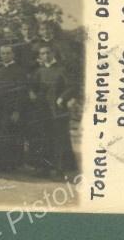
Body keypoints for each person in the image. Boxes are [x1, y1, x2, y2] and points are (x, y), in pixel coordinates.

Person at [28, 45, 78, 177]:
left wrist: (62, 98)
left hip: (58, 110)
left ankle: (59, 169)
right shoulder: (39, 71)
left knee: (58, 139)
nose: (45, 56)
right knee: (44, 138)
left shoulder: (62, 69)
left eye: (48, 53)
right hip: (43, 110)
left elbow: (72, 86)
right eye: (42, 54)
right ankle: (44, 169)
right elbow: (32, 86)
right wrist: (32, 93)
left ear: (53, 53)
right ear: (40, 56)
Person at [0, 45, 29, 172]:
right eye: (3, 53)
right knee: (0, 136)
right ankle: (0, 163)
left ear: (13, 55)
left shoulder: (19, 70)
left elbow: (22, 92)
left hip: (12, 109)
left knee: (12, 136)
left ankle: (11, 165)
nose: (5, 56)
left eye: (8, 53)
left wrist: (17, 110)